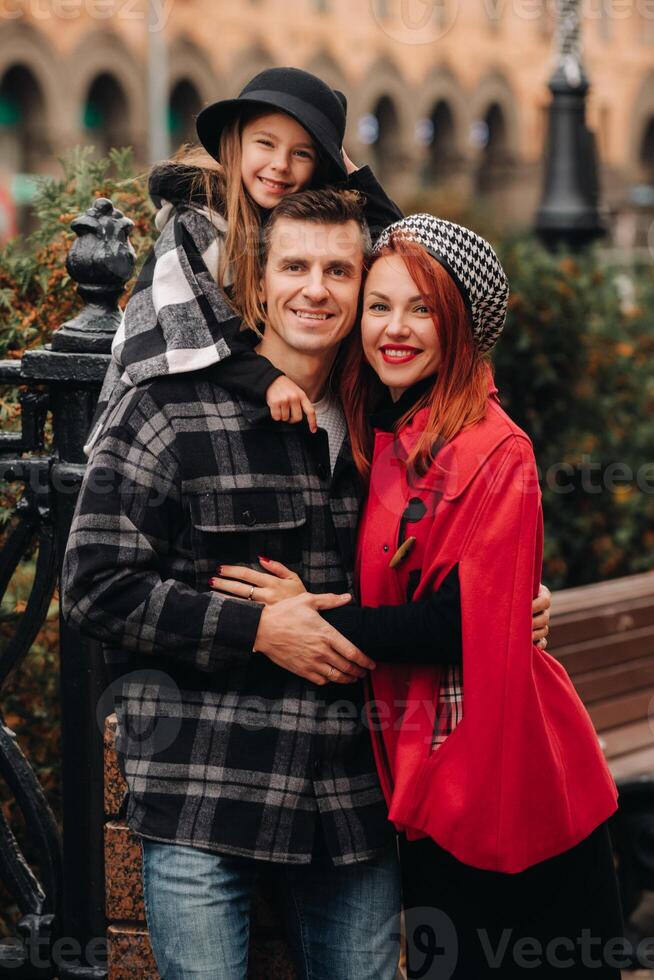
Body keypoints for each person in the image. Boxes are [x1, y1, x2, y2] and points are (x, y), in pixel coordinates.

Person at [62, 190, 550, 980]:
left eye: (338, 270)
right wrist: (255, 628)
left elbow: (457, 554)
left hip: (350, 805)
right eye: (294, 266)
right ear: (258, 283)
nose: (315, 289)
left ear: (363, 285)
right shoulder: (169, 408)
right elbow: (95, 585)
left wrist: (512, 601)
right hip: (205, 794)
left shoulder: (388, 422)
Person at [215, 213, 622, 979]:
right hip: (433, 774)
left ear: (460, 326)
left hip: (509, 784)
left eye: (423, 309)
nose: (394, 329)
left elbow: (459, 619)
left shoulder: (494, 448)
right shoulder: (388, 432)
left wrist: (314, 617)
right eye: (379, 304)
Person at [85, 66, 402, 457]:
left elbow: (399, 252)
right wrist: (265, 380)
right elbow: (184, 327)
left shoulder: (299, 229)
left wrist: (352, 175)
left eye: (301, 153)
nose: (280, 164)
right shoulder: (197, 221)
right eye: (265, 144)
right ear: (236, 143)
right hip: (164, 433)